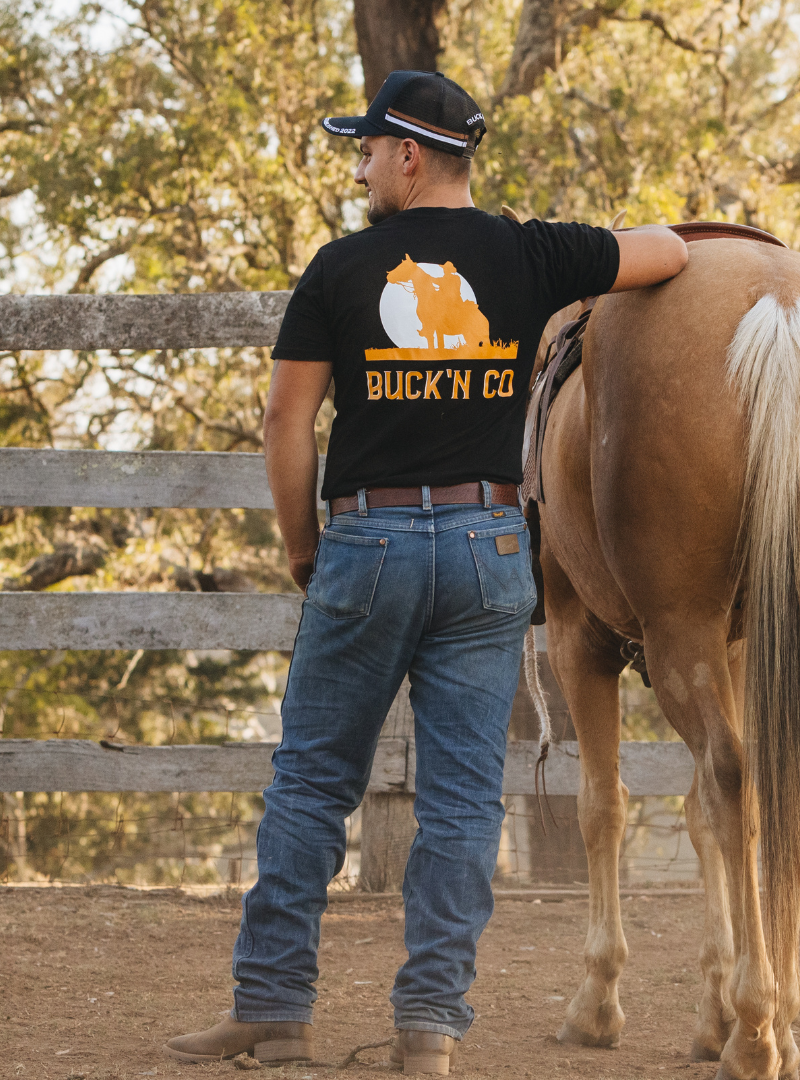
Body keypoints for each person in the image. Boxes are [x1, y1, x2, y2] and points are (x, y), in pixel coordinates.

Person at [164, 70, 688, 1074]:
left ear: (408, 154)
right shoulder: (532, 252)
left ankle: (274, 1009)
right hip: (491, 551)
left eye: (365, 148)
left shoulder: (341, 268)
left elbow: (284, 420)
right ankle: (430, 1031)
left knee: (313, 781)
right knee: (460, 801)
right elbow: (667, 252)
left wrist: (302, 547)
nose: (359, 166)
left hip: (369, 544)